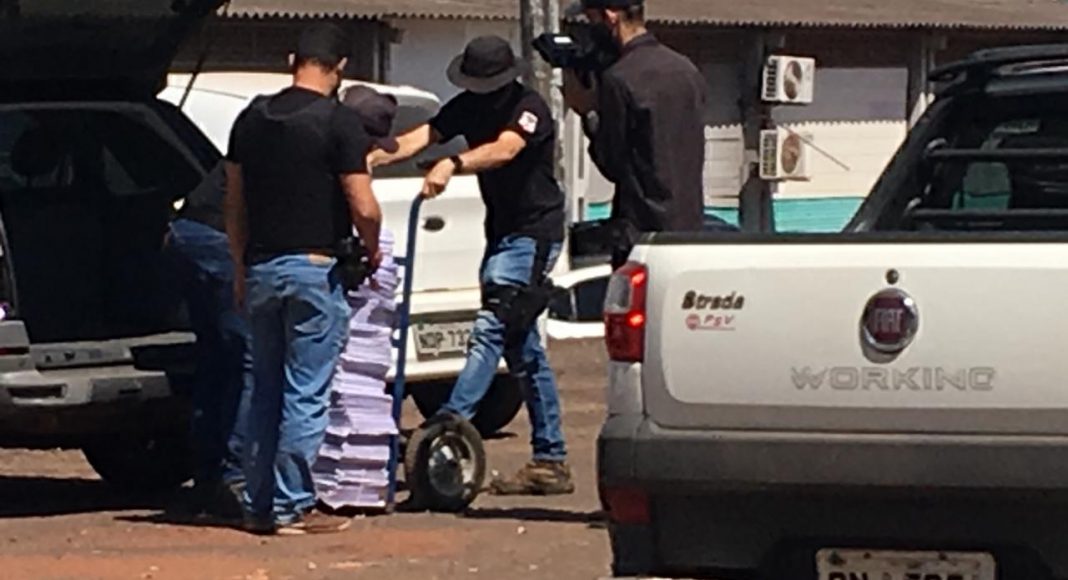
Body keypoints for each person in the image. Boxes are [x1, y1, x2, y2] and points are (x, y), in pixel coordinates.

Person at [370, 36, 574, 496]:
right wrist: (372, 156)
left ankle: (450, 420)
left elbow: (505, 149)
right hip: (500, 232)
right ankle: (551, 457)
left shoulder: (529, 108)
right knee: (522, 347)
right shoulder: (467, 107)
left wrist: (453, 164)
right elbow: (422, 136)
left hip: (533, 232)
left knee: (492, 325)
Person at [223, 23, 383, 535]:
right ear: (340, 68)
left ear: (292, 59)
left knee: (263, 391)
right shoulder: (339, 122)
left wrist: (239, 265)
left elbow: (234, 202)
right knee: (305, 392)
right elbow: (363, 204)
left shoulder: (251, 117)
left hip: (261, 267)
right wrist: (372, 246)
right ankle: (292, 504)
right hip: (315, 268)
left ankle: (257, 503)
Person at [562, 0, 708, 269]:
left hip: (641, 229)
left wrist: (588, 111)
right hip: (690, 223)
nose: (591, 30)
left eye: (592, 20)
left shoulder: (620, 78)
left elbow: (612, 163)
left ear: (610, 16)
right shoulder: (686, 69)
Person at [164, 163, 251, 519]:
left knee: (216, 362)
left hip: (188, 232)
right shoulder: (326, 138)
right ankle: (235, 479)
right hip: (218, 238)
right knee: (248, 362)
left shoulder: (259, 132)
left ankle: (208, 478)